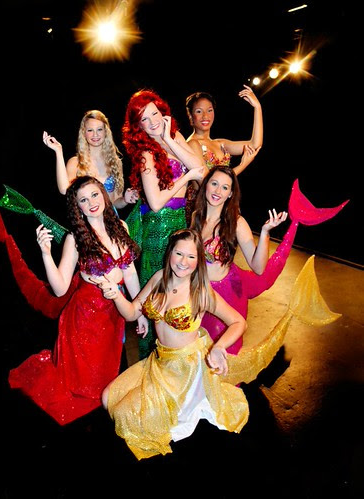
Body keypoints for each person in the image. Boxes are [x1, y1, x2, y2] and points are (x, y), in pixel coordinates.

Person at [97, 229, 341, 460]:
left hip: (184, 371)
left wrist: (219, 347)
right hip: (159, 363)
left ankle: (190, 401)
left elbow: (238, 322)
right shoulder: (159, 278)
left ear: (198, 260)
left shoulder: (201, 291)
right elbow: (131, 312)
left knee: (126, 413)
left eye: (191, 256)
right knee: (108, 397)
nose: (183, 262)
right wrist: (116, 294)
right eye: (179, 253)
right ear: (170, 252)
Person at [0, 177, 148, 426]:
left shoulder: (121, 226)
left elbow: (129, 272)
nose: (91, 202)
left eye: (94, 195)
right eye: (83, 200)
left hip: (113, 316)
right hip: (84, 319)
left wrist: (139, 312)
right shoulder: (75, 238)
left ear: (103, 195)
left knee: (105, 377)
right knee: (82, 389)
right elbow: (59, 289)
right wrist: (46, 254)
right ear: (77, 207)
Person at [190, 166, 349, 355]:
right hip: (199, 292)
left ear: (231, 194)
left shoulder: (236, 222)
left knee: (222, 354)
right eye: (214, 183)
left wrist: (265, 233)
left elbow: (258, 268)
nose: (218, 191)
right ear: (206, 185)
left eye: (225, 187)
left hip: (227, 295)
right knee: (197, 350)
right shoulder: (196, 217)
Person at [123, 89, 205, 358]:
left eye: (154, 114)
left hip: (179, 222)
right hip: (157, 228)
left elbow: (200, 169)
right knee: (158, 292)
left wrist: (169, 139)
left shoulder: (175, 137)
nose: (152, 121)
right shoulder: (145, 154)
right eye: (144, 119)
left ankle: (178, 353)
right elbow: (156, 202)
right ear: (139, 127)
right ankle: (152, 358)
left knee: (179, 291)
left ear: (163, 112)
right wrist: (185, 179)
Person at [184, 86, 263, 223]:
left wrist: (257, 108)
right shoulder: (192, 144)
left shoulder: (219, 143)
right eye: (199, 111)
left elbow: (255, 145)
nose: (205, 116)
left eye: (209, 110)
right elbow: (208, 183)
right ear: (190, 116)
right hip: (202, 211)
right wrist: (243, 165)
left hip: (221, 207)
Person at [43, 109, 139, 210]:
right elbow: (64, 190)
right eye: (90, 130)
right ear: (84, 133)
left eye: (99, 129)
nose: (95, 135)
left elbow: (115, 203)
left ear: (106, 132)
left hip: (111, 218)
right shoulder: (75, 162)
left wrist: (125, 200)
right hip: (86, 218)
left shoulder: (115, 163)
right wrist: (58, 151)